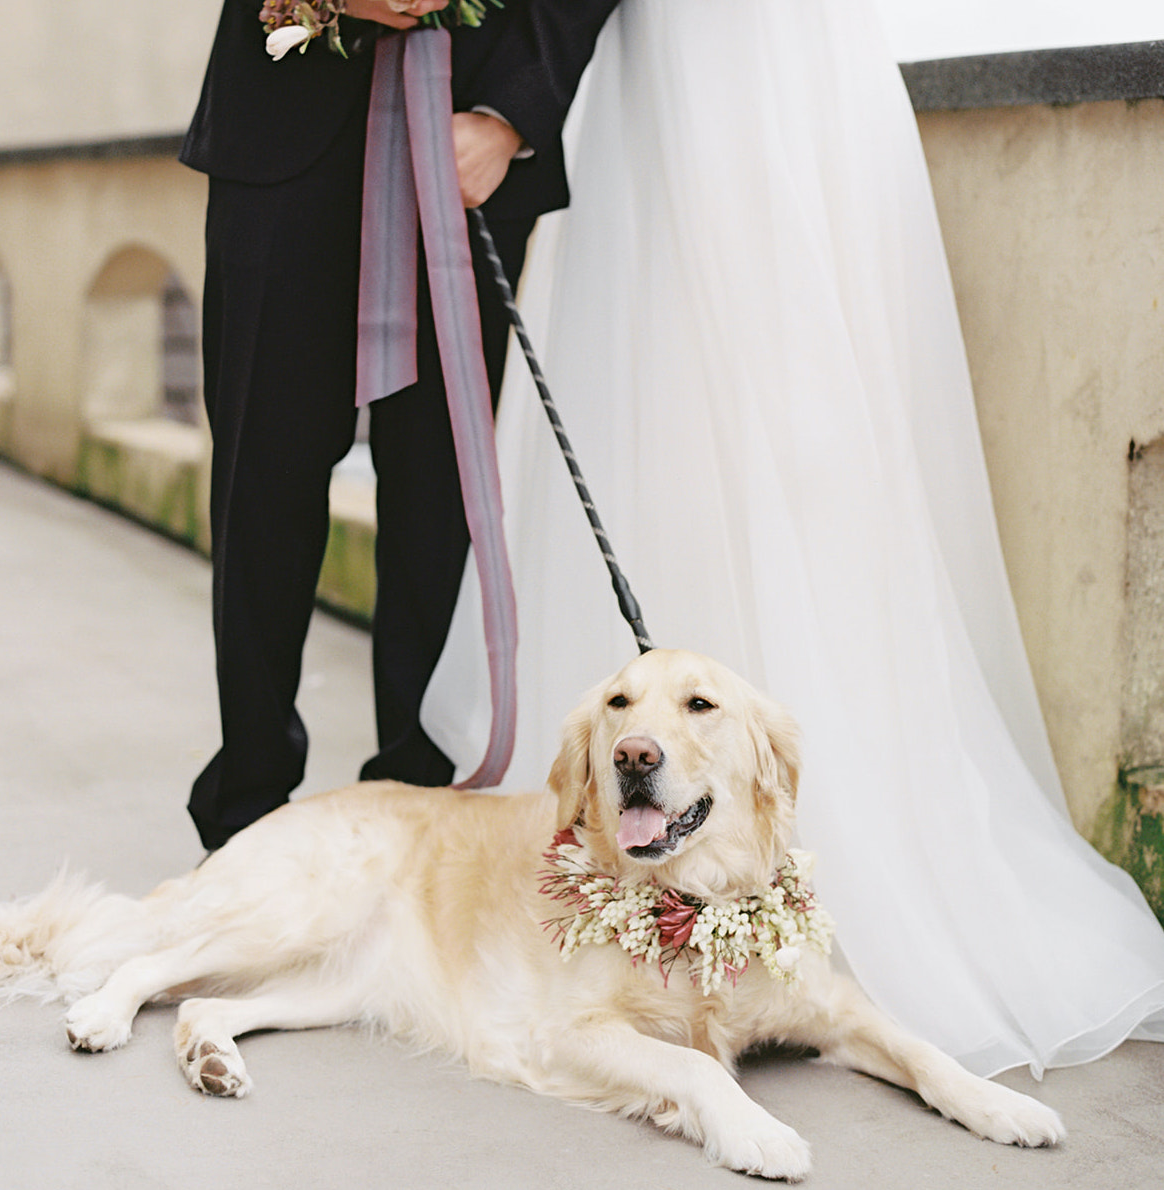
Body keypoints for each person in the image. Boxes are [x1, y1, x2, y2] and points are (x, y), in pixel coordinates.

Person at [421, 0, 1164, 1077]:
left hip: (728, 72)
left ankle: (770, 845)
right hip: (672, 77)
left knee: (775, 406)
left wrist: (502, 106)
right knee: (679, 412)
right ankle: (659, 838)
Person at [178, 0, 619, 851]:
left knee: (439, 499)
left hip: (470, 143)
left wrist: (511, 116)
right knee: (260, 484)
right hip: (279, 133)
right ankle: (246, 815)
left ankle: (419, 819)